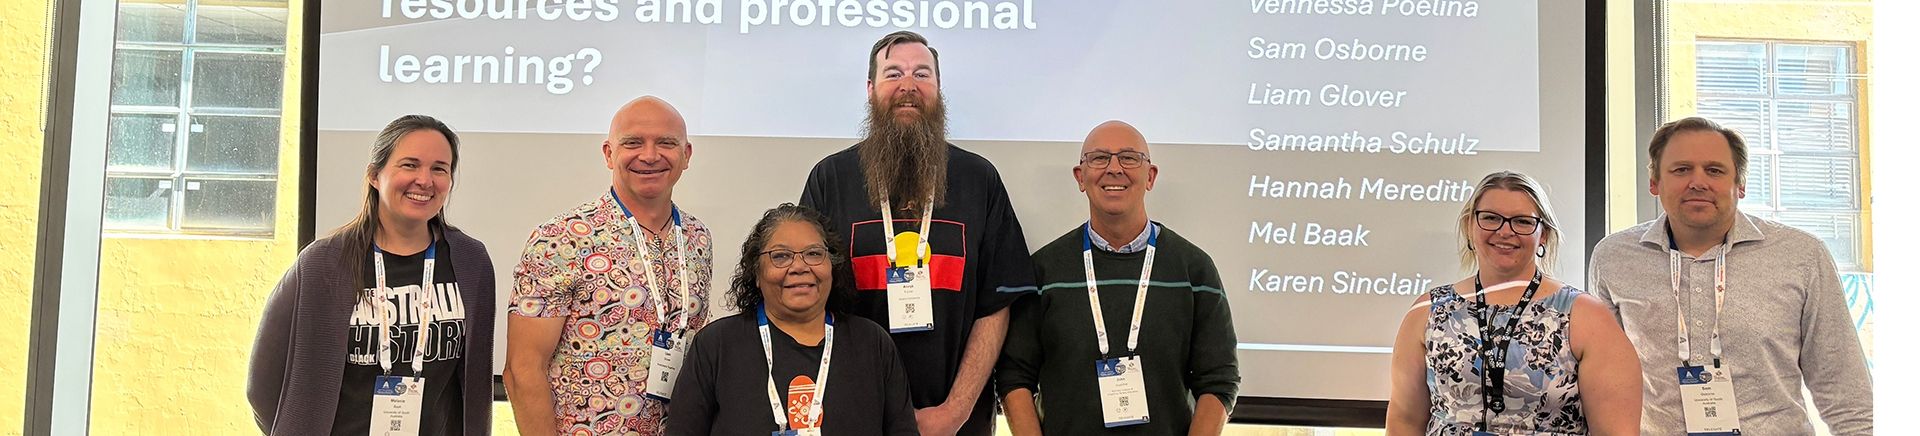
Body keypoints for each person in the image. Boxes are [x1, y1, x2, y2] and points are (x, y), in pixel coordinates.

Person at [797, 30, 1034, 436]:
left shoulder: (979, 179)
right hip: (852, 417)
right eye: (893, 74)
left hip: (958, 423)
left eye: (922, 74)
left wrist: (955, 411)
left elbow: (996, 305)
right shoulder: (830, 178)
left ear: (939, 89)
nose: (908, 85)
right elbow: (805, 300)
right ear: (870, 90)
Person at [1588, 117, 1872, 434]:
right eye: (1681, 170)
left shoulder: (1801, 255)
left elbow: (1847, 394)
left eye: (1714, 170)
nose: (1698, 182)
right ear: (1655, 183)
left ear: (1741, 184)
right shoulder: (1613, 258)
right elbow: (1604, 384)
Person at [247, 114, 495, 435]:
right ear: (375, 176)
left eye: (439, 168)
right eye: (410, 165)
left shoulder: (471, 262)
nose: (425, 180)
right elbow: (262, 384)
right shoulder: (323, 263)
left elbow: (474, 384)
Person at [995, 121, 1240, 435]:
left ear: (1150, 176)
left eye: (1129, 158)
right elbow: (1015, 376)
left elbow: (1219, 380)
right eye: (1099, 158)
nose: (1114, 169)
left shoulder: (1194, 269)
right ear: (1080, 177)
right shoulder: (1044, 270)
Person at [504, 96, 715, 435]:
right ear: (608, 154)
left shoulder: (697, 237)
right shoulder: (560, 239)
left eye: (666, 143)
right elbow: (523, 369)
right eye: (633, 143)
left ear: (686, 155)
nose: (650, 155)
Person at [1387, 171, 1641, 435]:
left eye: (1522, 221)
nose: (1505, 231)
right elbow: (1405, 421)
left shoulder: (1586, 316)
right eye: (1490, 218)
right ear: (1469, 225)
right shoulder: (1428, 311)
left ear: (1543, 234)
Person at [666, 204, 919, 436]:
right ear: (757, 273)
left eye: (813, 253)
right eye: (781, 256)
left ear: (832, 266)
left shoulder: (872, 343)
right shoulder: (717, 346)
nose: (799, 266)